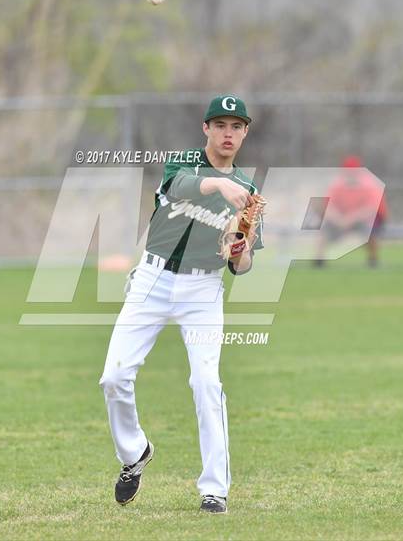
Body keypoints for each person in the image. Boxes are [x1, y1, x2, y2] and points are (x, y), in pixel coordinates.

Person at [99, 95, 264, 514]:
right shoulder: (183, 162)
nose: (228, 133)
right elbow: (181, 187)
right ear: (205, 128)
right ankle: (134, 453)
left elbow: (243, 266)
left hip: (202, 291)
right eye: (221, 124)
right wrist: (220, 183)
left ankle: (215, 489)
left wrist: (236, 249)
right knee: (113, 378)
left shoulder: (248, 192)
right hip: (152, 280)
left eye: (237, 126)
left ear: (245, 133)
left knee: (206, 383)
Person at [315, 155, 387, 267]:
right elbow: (328, 206)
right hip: (341, 218)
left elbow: (372, 209)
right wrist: (339, 219)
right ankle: (318, 261)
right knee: (324, 230)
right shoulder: (336, 184)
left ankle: (373, 260)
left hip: (364, 219)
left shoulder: (369, 184)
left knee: (371, 232)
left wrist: (350, 218)